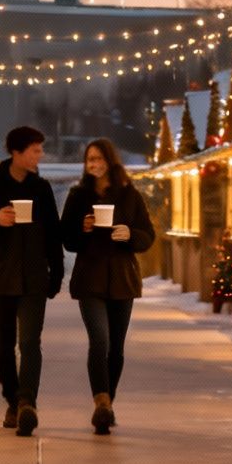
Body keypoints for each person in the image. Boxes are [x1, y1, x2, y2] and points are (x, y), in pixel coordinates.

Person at [0, 126, 63, 436]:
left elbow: (53, 235)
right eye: (34, 150)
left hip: (33, 279)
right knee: (4, 346)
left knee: (30, 343)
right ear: (15, 153)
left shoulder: (41, 189)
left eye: (40, 150)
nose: (40, 155)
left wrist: (55, 273)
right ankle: (12, 400)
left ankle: (27, 402)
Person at [59, 138, 155, 435]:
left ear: (110, 162)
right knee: (100, 341)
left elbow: (147, 235)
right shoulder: (78, 196)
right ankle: (100, 401)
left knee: (116, 348)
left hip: (122, 279)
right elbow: (68, 240)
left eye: (99, 159)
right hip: (91, 278)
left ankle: (107, 405)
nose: (94, 164)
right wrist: (82, 229)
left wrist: (130, 234)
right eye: (89, 160)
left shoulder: (129, 195)